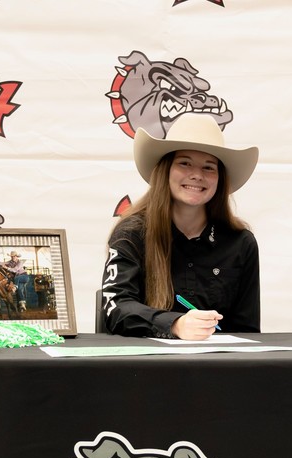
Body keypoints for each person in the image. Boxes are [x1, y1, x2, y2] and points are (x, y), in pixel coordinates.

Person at [100, 112, 261, 340]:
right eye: (184, 163)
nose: (196, 175)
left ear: (220, 179)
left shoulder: (241, 243)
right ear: (165, 171)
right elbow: (115, 308)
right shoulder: (131, 233)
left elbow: (248, 331)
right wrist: (175, 324)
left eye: (209, 167)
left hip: (219, 369)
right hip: (146, 369)